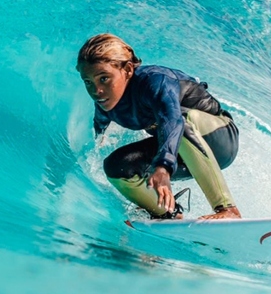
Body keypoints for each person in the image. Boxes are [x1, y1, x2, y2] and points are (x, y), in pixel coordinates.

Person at [77, 33, 242, 220]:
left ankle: (227, 209)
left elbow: (173, 121)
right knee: (116, 166)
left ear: (128, 70)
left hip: (219, 139)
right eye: (88, 82)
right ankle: (167, 213)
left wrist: (163, 166)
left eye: (104, 78)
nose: (96, 91)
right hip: (182, 156)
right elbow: (100, 136)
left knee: (181, 120)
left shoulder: (155, 82)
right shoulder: (105, 105)